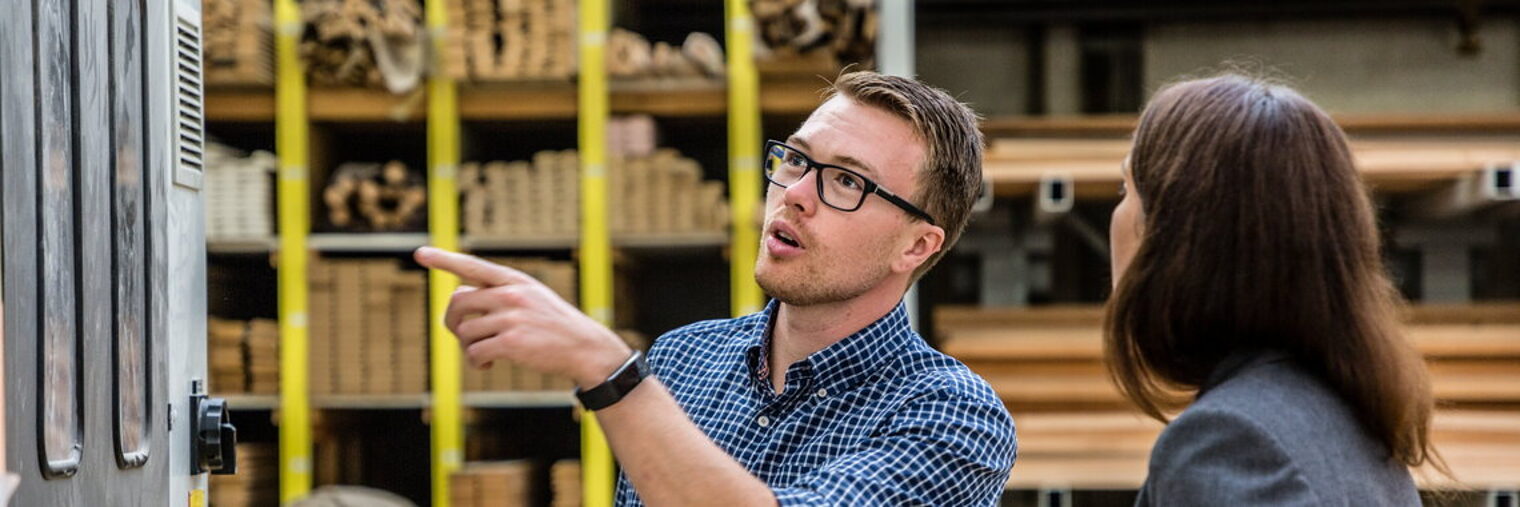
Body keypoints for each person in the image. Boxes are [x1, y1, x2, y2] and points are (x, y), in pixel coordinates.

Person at [415, 71, 1016, 505]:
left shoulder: (952, 417)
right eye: (796, 161)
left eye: (847, 182)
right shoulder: (681, 361)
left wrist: (606, 367)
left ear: (917, 246)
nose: (797, 193)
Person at [1106, 74, 1448, 505]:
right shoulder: (1356, 425)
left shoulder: (1230, 441)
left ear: (1185, 234)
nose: (1116, 215)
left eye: (1127, 189)